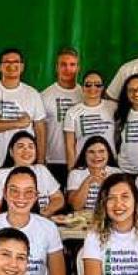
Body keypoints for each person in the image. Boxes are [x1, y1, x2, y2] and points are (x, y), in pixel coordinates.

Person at [0, 167, 67, 275]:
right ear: (4, 193)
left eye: (28, 192)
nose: (21, 197)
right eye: (14, 191)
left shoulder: (48, 227)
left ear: (36, 196)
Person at [0, 46, 46, 174]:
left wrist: (40, 163)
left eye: (16, 62)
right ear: (0, 67)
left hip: (25, 167)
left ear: (22, 67)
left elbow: (40, 130)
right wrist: (18, 123)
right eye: (7, 62)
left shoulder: (33, 94)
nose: (11, 65)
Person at [0, 131, 64, 215]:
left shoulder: (42, 170)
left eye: (31, 147)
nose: (26, 150)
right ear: (11, 152)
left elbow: (58, 198)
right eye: (21, 146)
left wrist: (46, 212)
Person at [38, 48, 82, 184]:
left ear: (78, 68)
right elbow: (40, 131)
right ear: (56, 68)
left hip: (81, 160)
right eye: (63, 64)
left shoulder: (85, 94)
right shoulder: (45, 96)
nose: (67, 69)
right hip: (53, 161)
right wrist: (41, 162)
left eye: (72, 65)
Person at [63, 68, 116, 166]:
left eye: (97, 85)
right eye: (88, 84)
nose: (92, 88)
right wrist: (72, 171)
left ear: (103, 87)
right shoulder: (72, 112)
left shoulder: (113, 107)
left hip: (109, 163)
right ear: (82, 87)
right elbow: (70, 147)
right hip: (83, 165)